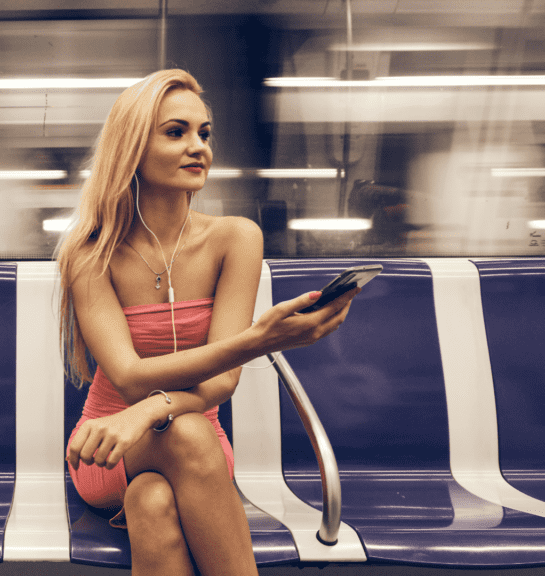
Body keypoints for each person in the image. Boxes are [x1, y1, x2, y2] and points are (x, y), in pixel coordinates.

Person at [57, 69, 358, 576]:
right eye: (176, 132)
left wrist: (148, 411)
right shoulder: (90, 255)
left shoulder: (236, 238)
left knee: (154, 499)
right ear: (132, 147)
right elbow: (127, 376)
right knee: (182, 439)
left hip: (198, 443)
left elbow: (221, 383)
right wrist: (257, 341)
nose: (199, 146)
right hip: (108, 447)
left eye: (204, 133)